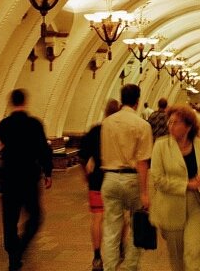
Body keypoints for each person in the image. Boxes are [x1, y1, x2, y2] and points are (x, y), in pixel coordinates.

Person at [150, 104, 200, 271]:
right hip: (171, 206)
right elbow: (158, 179)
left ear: (188, 126)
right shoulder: (161, 146)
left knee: (195, 252)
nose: (171, 126)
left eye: (176, 123)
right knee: (177, 257)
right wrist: (186, 185)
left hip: (196, 205)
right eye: (169, 122)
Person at [0, 89, 53, 271]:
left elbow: (2, 145)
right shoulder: (34, 124)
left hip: (9, 176)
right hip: (29, 176)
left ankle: (13, 254)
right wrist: (48, 172)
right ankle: (20, 248)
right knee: (35, 216)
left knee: (10, 218)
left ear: (11, 102)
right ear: (25, 101)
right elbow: (43, 149)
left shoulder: (4, 125)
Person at [100, 84, 154, 271]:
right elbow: (142, 162)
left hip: (110, 178)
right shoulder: (142, 125)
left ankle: (109, 268)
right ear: (138, 101)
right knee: (136, 226)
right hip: (132, 180)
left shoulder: (106, 123)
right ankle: (130, 267)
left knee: (111, 229)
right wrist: (145, 192)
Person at [79, 99, 122, 271]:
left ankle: (97, 256)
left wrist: (86, 175)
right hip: (117, 178)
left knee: (97, 218)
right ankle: (120, 247)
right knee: (121, 216)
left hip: (97, 179)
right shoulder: (120, 130)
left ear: (104, 112)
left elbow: (82, 156)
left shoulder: (95, 130)